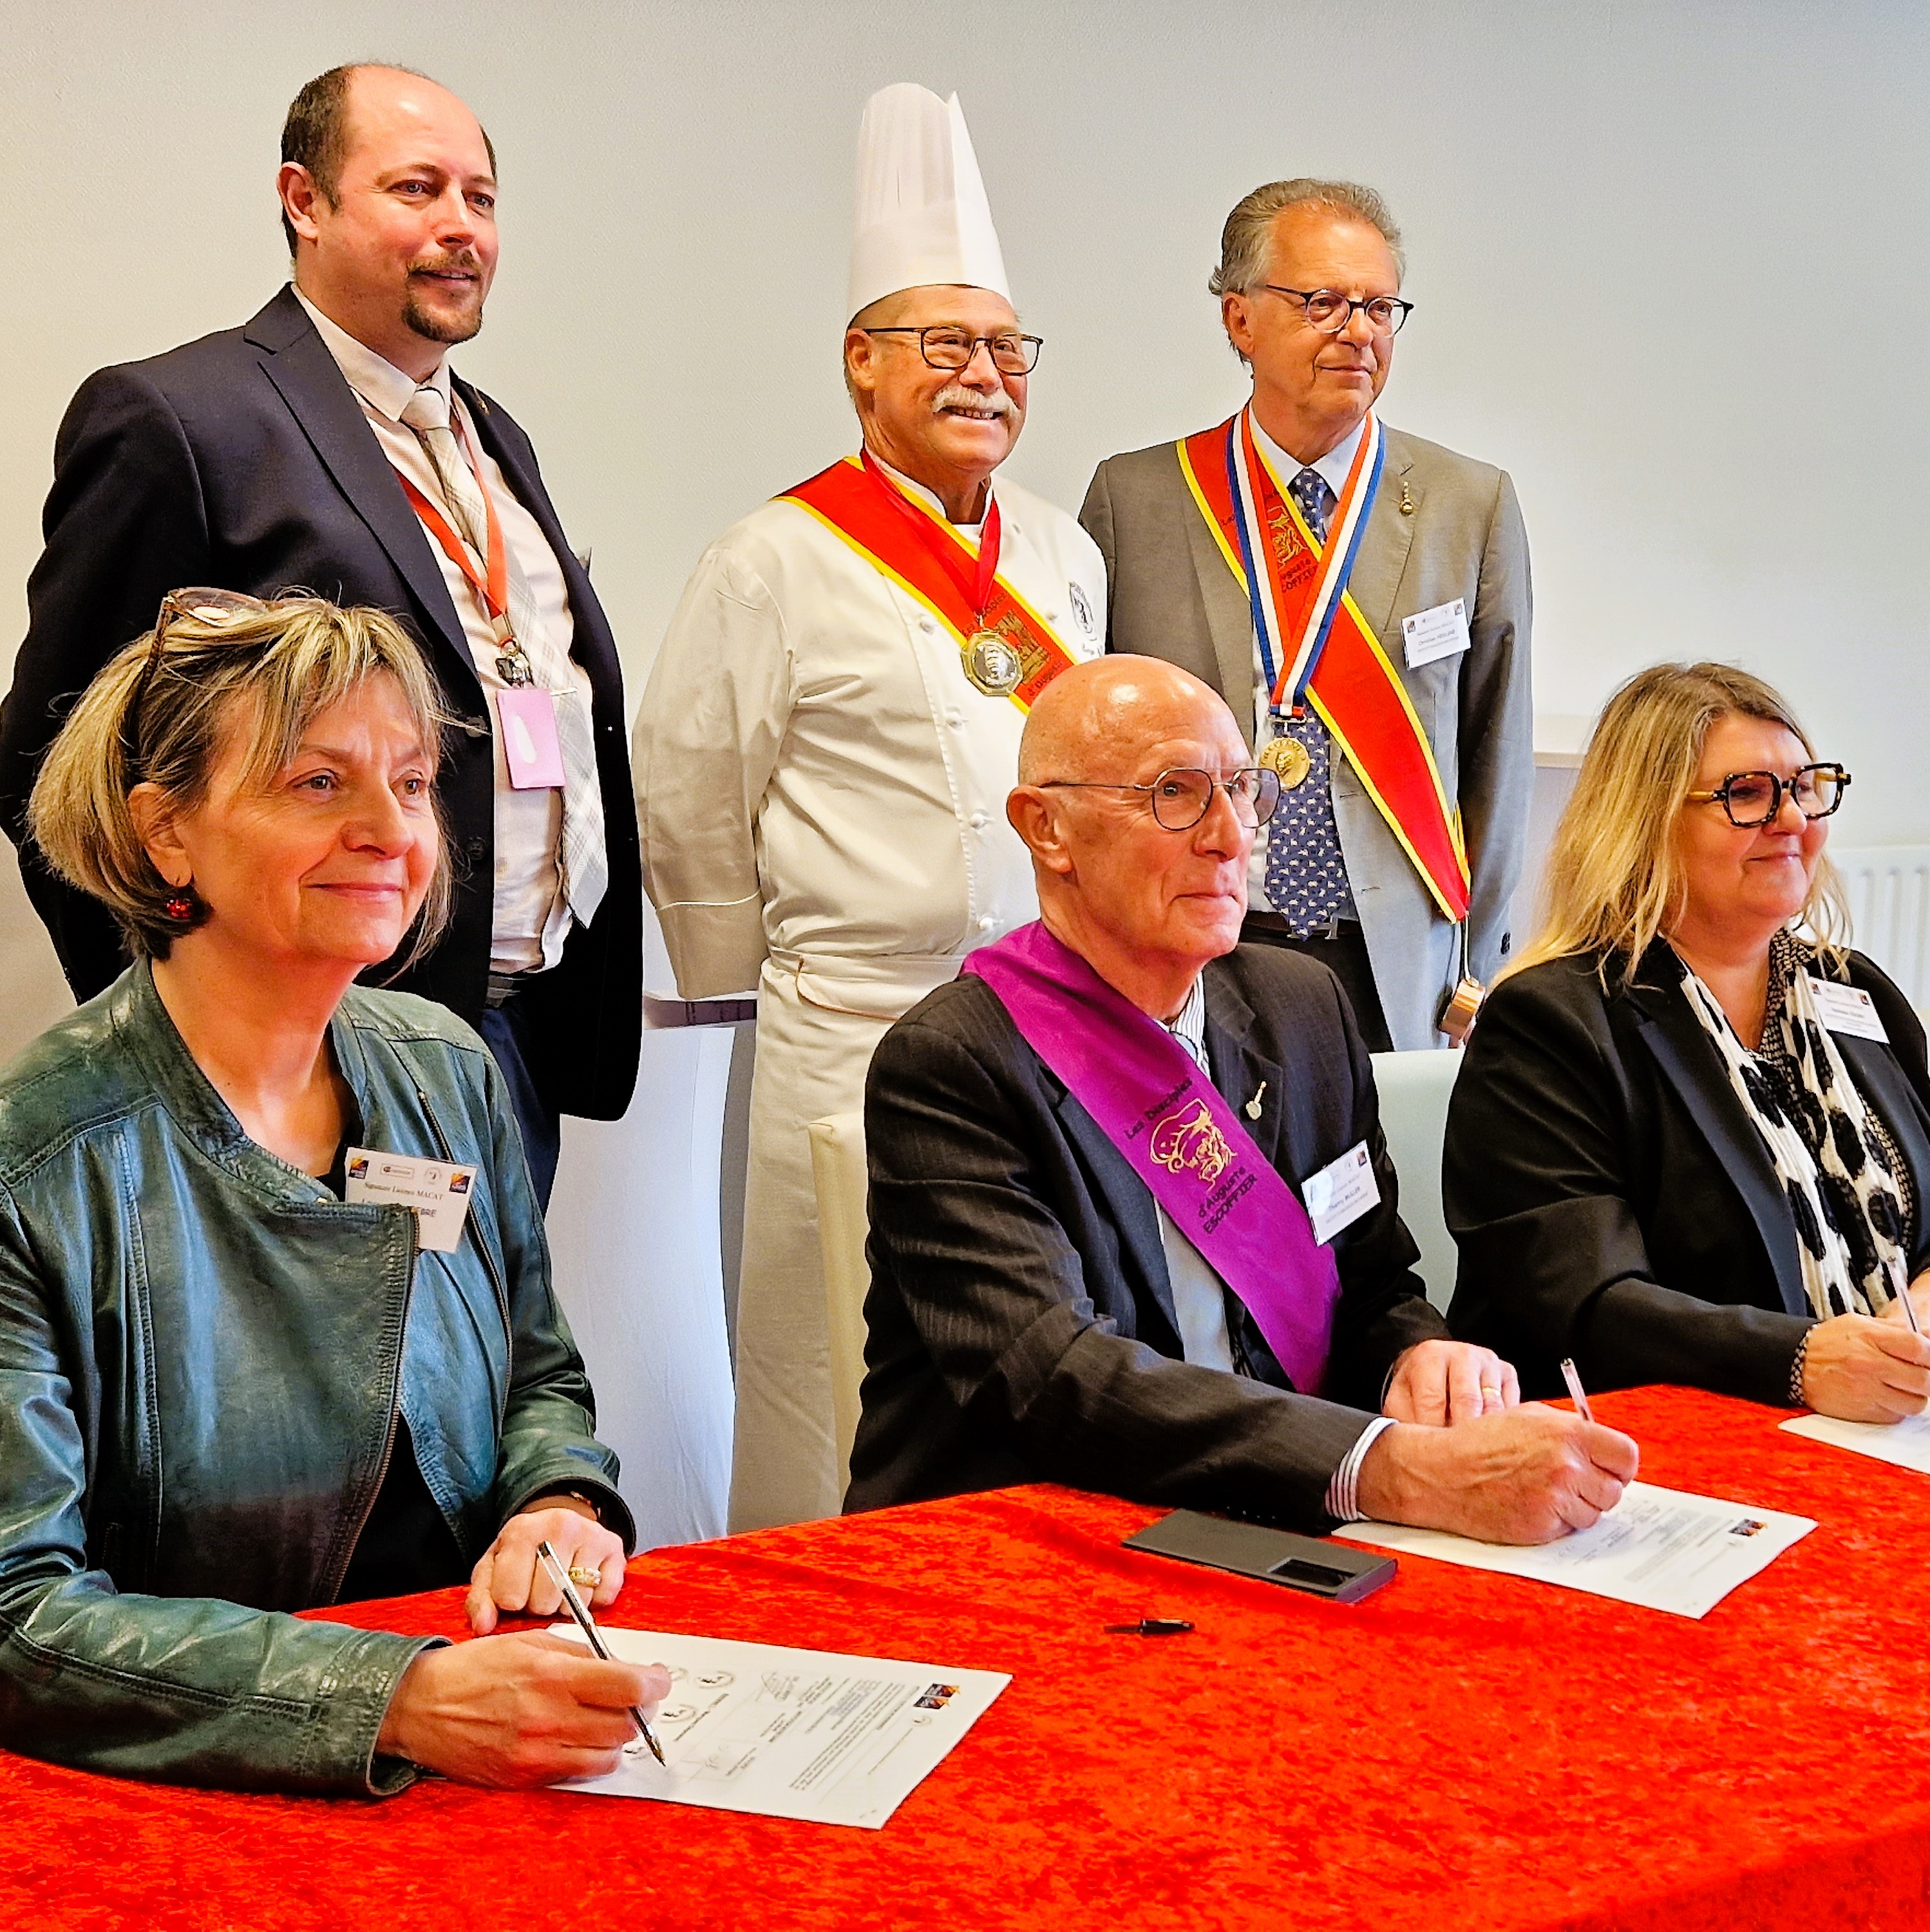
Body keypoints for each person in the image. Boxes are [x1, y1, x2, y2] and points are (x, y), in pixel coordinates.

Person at [0, 594, 661, 1794]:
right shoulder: (39, 1166)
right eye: (317, 783)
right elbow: (18, 1619)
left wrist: (557, 1498)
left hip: (487, 1723)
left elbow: (537, 1379)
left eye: (411, 784)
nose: (390, 831)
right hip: (194, 1777)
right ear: (166, 836)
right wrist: (393, 1700)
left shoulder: (446, 1068)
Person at [0, 64, 638, 1206]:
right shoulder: (182, 420)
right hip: (296, 1051)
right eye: (416, 189)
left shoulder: (491, 436)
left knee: (471, 1377)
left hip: (502, 1044)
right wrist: (177, 1041)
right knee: (310, 1386)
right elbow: (58, 756)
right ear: (304, 200)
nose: (460, 228)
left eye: (481, 199)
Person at [845, 657, 1636, 1539]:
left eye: (1243, 790)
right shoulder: (953, 1062)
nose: (1232, 836)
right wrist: (1389, 1468)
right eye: (1176, 794)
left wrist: (1418, 1356)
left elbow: (1370, 1281)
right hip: (1036, 1536)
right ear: (1048, 830)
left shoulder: (1301, 1008)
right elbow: (1056, 1379)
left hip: (1280, 1514)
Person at [634, 85, 1104, 1532]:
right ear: (860, 364)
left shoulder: (1065, 557)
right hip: (851, 1029)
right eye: (945, 345)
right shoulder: (772, 556)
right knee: (834, 1371)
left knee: (1038, 1363)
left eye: (1007, 348)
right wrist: (743, 978)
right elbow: (691, 786)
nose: (986, 377)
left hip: (1041, 1032)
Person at [1445, 663, 1930, 1415]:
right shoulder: (1552, 1022)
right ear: (1643, 821)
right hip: (1675, 1438)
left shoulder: (1852, 990)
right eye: (1747, 794)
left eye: (1805, 788)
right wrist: (1802, 1360)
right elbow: (1583, 1302)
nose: (1792, 821)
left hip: (1905, 1415)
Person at [1080, 179, 1530, 1052]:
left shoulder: (1467, 504)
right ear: (1239, 319)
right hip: (1196, 945)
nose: (1358, 330)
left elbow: (1495, 754)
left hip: (1398, 962)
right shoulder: (1134, 501)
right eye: (1323, 301)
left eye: (1380, 306)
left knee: (1381, 1189)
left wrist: (1481, 963)